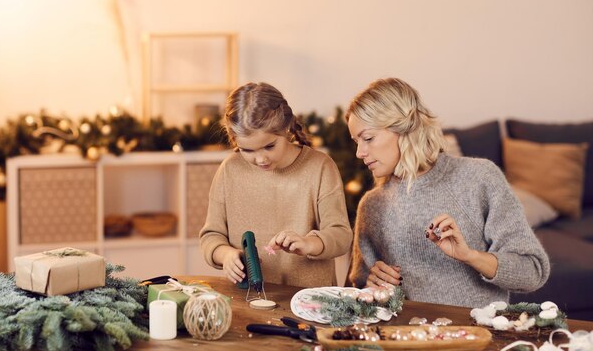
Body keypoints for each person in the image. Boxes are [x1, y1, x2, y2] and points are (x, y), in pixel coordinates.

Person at [346, 78, 550, 308]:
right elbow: (359, 292)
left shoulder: (479, 178)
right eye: (356, 141)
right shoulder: (372, 205)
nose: (359, 152)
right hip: (408, 338)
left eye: (368, 138)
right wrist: (371, 283)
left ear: (404, 128)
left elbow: (533, 271)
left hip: (477, 335)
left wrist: (469, 256)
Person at [200, 82, 353, 288]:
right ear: (235, 139)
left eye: (269, 146)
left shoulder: (320, 167)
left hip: (309, 301)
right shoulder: (229, 170)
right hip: (247, 299)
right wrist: (225, 255)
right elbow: (211, 235)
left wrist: (309, 244)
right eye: (247, 150)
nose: (261, 159)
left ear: (286, 128)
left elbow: (341, 235)